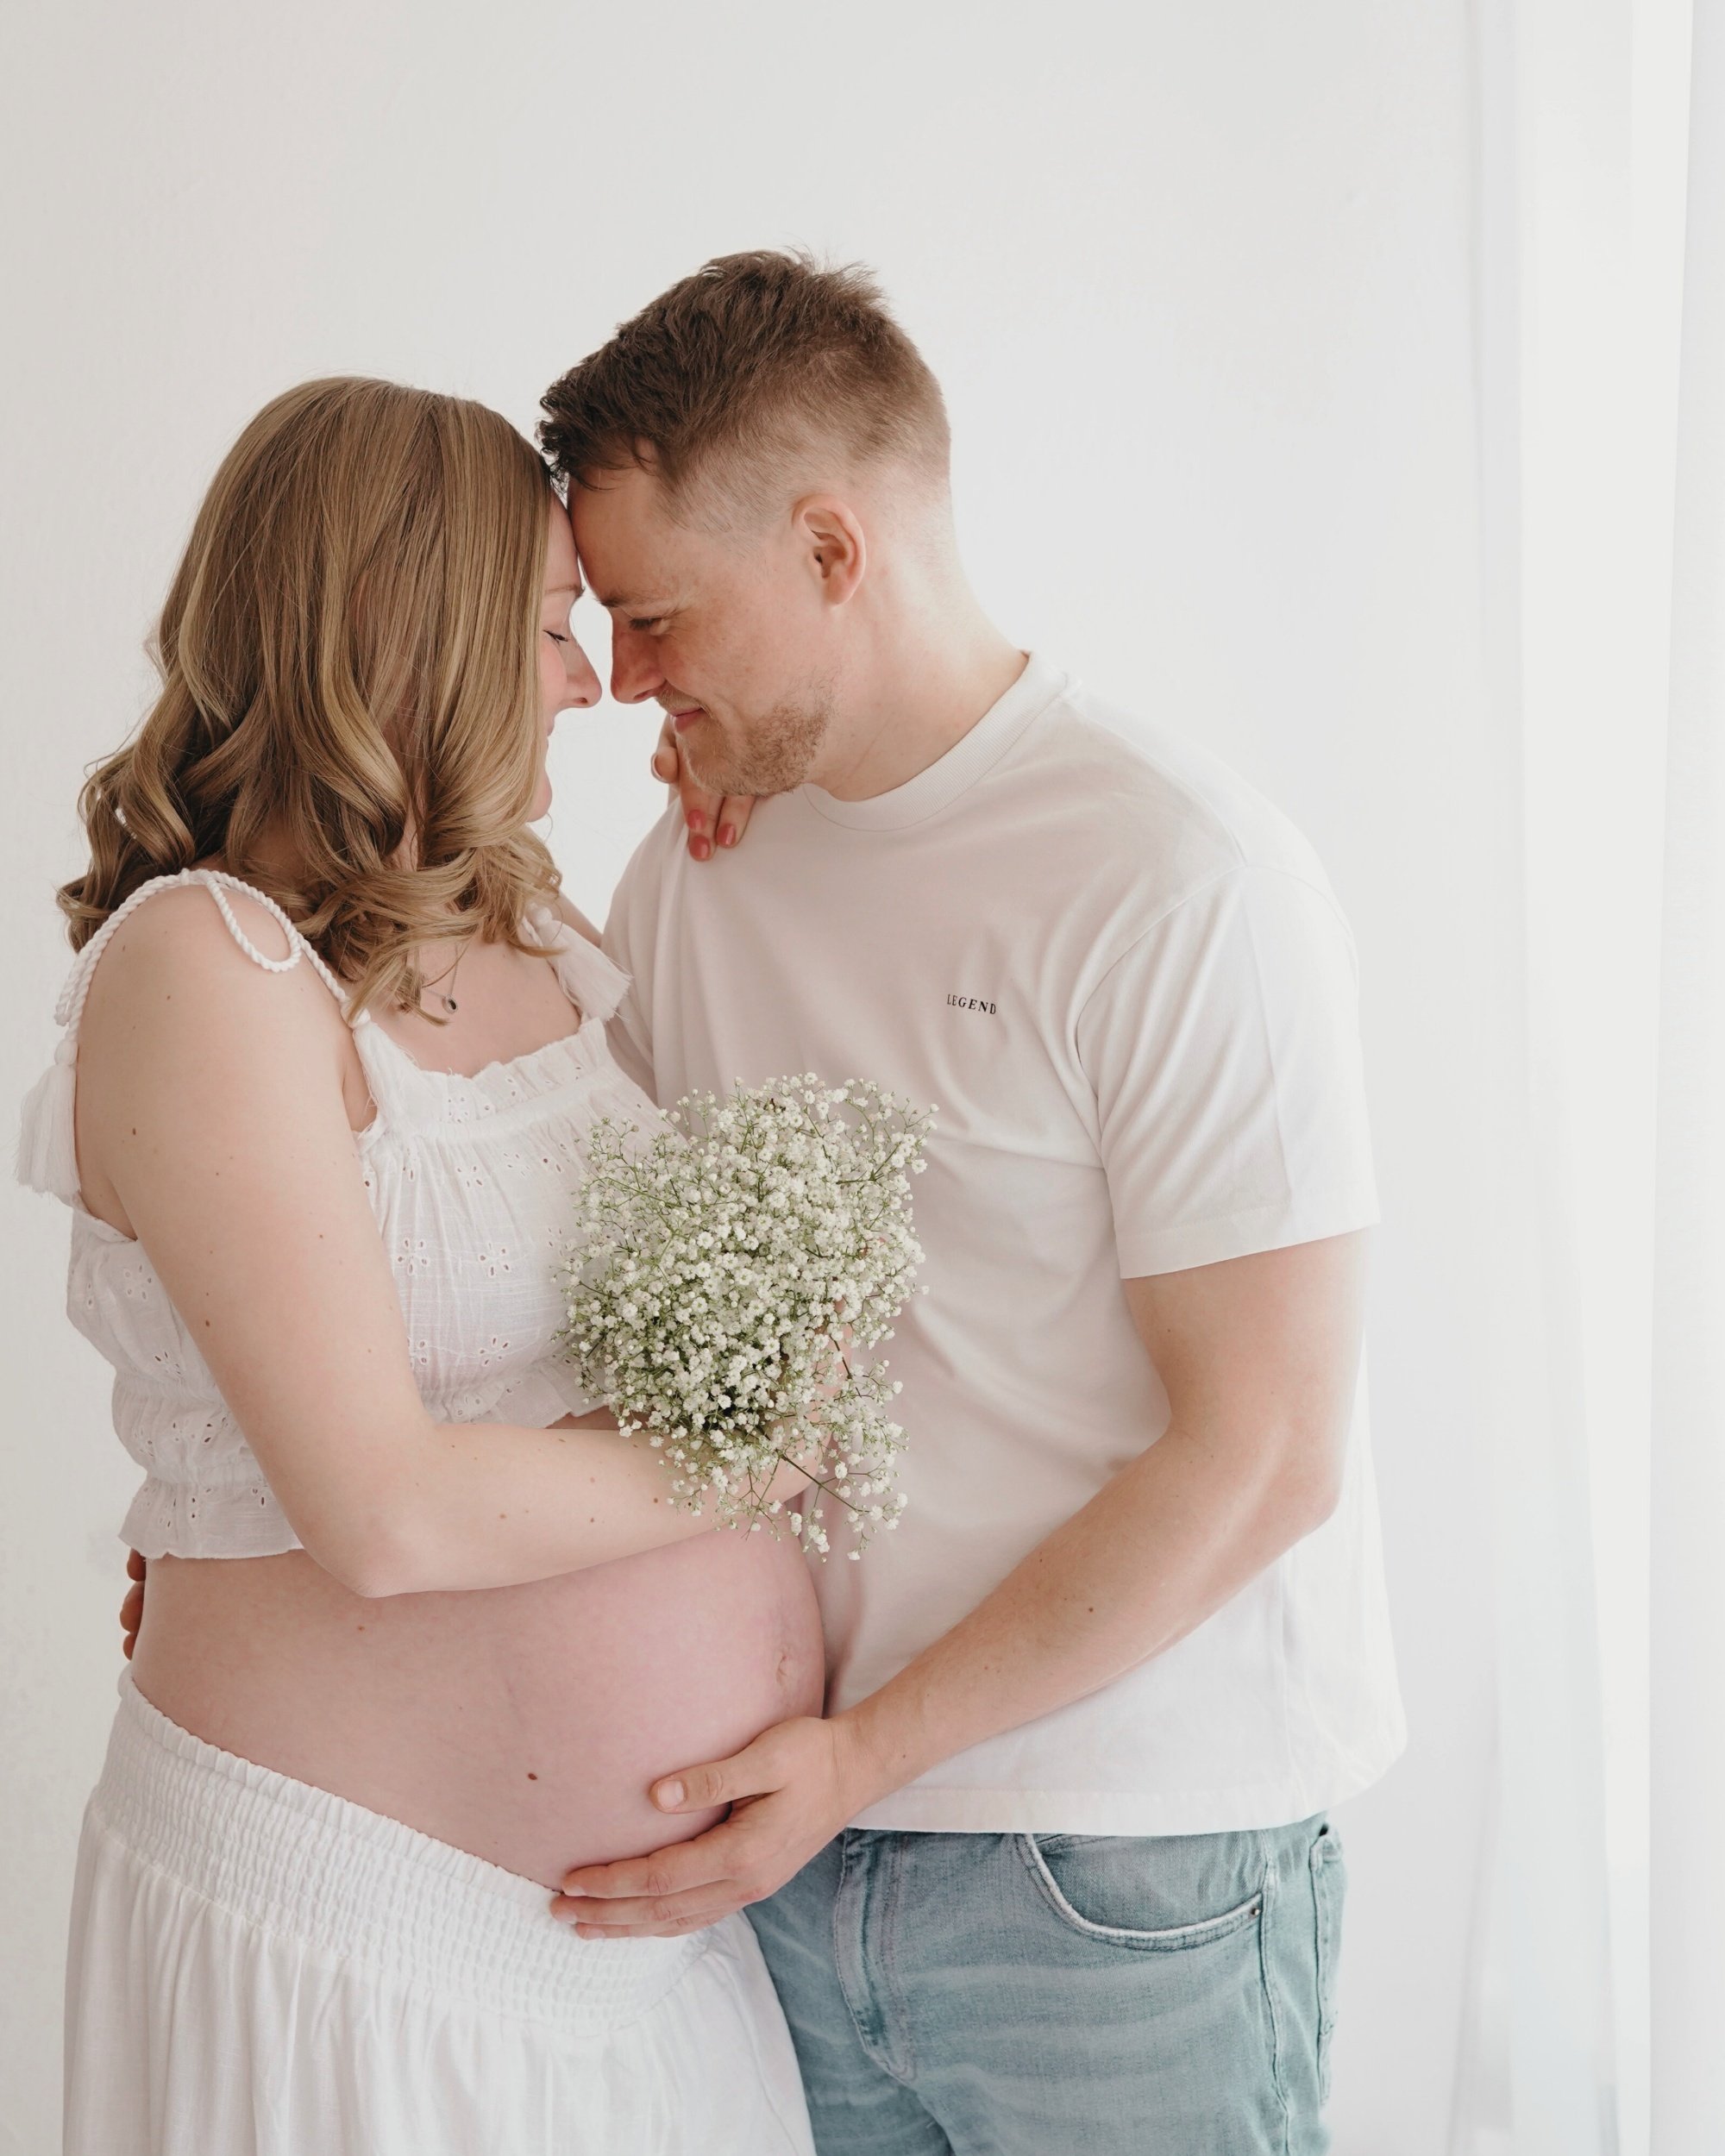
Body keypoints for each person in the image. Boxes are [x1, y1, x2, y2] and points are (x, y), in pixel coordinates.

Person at [538, 252, 1405, 2154]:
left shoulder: (1174, 875)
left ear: (833, 550)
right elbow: (606, 1339)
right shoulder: (692, 879)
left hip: (1124, 1872)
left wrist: (865, 1753)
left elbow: (1264, 1455)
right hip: (785, 1853)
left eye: (660, 620)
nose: (626, 686)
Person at [21, 377, 823, 2155]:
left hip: (650, 1975)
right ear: (402, 630)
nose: (589, 677)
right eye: (546, 623)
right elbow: (382, 1514)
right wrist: (753, 1460)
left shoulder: (528, 916)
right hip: (357, 1944)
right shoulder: (207, 969)